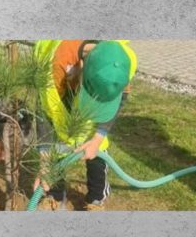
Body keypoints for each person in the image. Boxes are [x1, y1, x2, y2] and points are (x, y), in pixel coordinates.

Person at [32, 40, 136, 211]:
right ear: (82, 64)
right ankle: (55, 197)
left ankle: (96, 199)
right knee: (56, 146)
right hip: (61, 95)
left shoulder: (123, 63)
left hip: (79, 81)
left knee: (98, 152)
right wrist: (44, 161)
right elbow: (44, 113)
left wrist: (97, 137)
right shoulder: (55, 67)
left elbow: (120, 99)